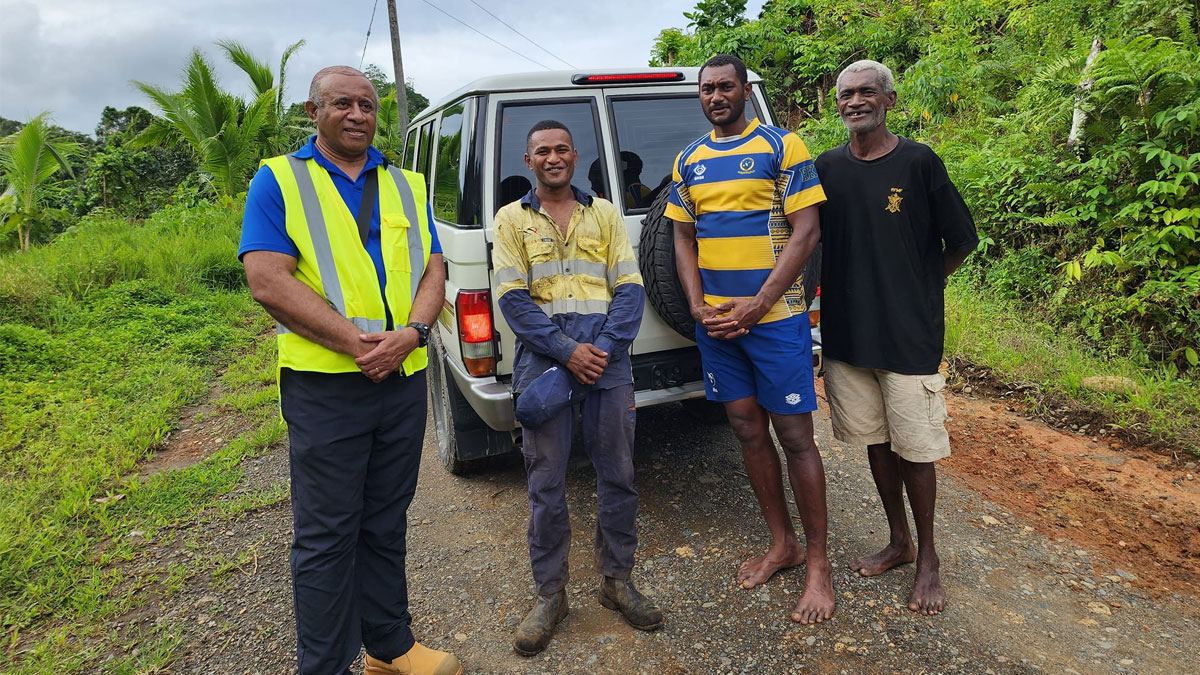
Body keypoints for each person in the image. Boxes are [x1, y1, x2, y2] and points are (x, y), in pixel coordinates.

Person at [239, 66, 461, 675]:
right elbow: (268, 280)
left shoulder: (406, 183)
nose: (358, 114)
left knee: (385, 520)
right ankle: (327, 666)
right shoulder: (279, 180)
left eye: (367, 105)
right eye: (343, 103)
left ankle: (389, 648)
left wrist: (412, 335)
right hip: (327, 387)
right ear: (313, 111)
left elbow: (433, 268)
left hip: (402, 378)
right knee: (327, 536)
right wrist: (362, 346)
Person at [668, 54, 834, 625]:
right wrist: (696, 307)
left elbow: (807, 231)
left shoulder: (782, 146)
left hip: (776, 319)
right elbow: (682, 238)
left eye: (725, 87)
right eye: (707, 89)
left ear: (744, 90)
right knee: (745, 429)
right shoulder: (688, 160)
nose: (716, 96)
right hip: (717, 326)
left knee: (796, 437)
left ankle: (818, 565)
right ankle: (782, 544)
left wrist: (759, 304)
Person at [493, 120, 662, 656]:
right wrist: (567, 351)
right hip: (544, 365)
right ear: (529, 161)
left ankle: (617, 581)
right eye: (542, 150)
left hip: (607, 363)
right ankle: (551, 595)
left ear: (573, 155)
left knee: (619, 475)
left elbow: (630, 287)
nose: (553, 157)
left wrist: (603, 349)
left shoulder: (605, 212)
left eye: (561, 149)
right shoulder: (511, 219)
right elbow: (512, 298)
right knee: (546, 484)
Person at [815, 59, 978, 616]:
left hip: (908, 335)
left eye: (866, 92)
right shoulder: (826, 167)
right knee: (877, 443)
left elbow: (961, 239)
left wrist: (923, 284)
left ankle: (929, 557)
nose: (854, 101)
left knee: (916, 449)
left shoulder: (918, 161)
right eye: (845, 94)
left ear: (888, 100)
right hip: (848, 334)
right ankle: (899, 541)